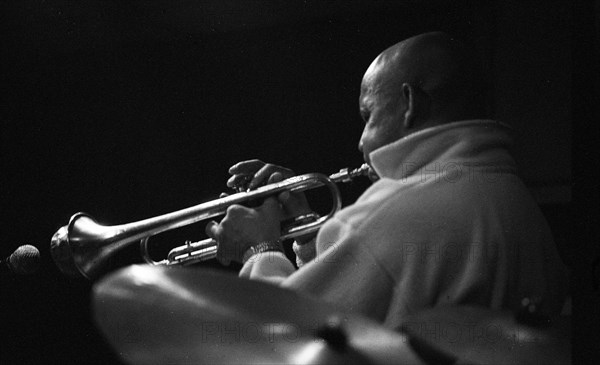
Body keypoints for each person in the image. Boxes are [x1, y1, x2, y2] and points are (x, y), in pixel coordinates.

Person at [206, 32, 568, 328]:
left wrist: (259, 250)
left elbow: (286, 333)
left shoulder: (405, 208)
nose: (360, 141)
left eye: (368, 115)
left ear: (410, 103)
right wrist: (303, 226)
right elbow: (382, 287)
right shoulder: (506, 193)